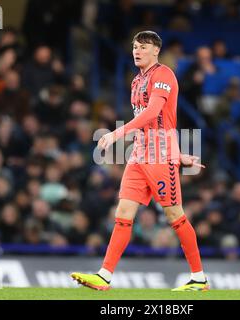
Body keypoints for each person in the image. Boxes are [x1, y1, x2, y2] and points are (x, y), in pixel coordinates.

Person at [71, 31, 209, 292]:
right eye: (135, 47)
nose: (137, 51)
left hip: (160, 156)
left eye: (143, 47)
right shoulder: (136, 81)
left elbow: (155, 113)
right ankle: (104, 275)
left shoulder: (163, 75)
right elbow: (150, 122)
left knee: (173, 214)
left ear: (156, 50)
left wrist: (116, 133)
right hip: (139, 154)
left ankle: (199, 277)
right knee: (122, 213)